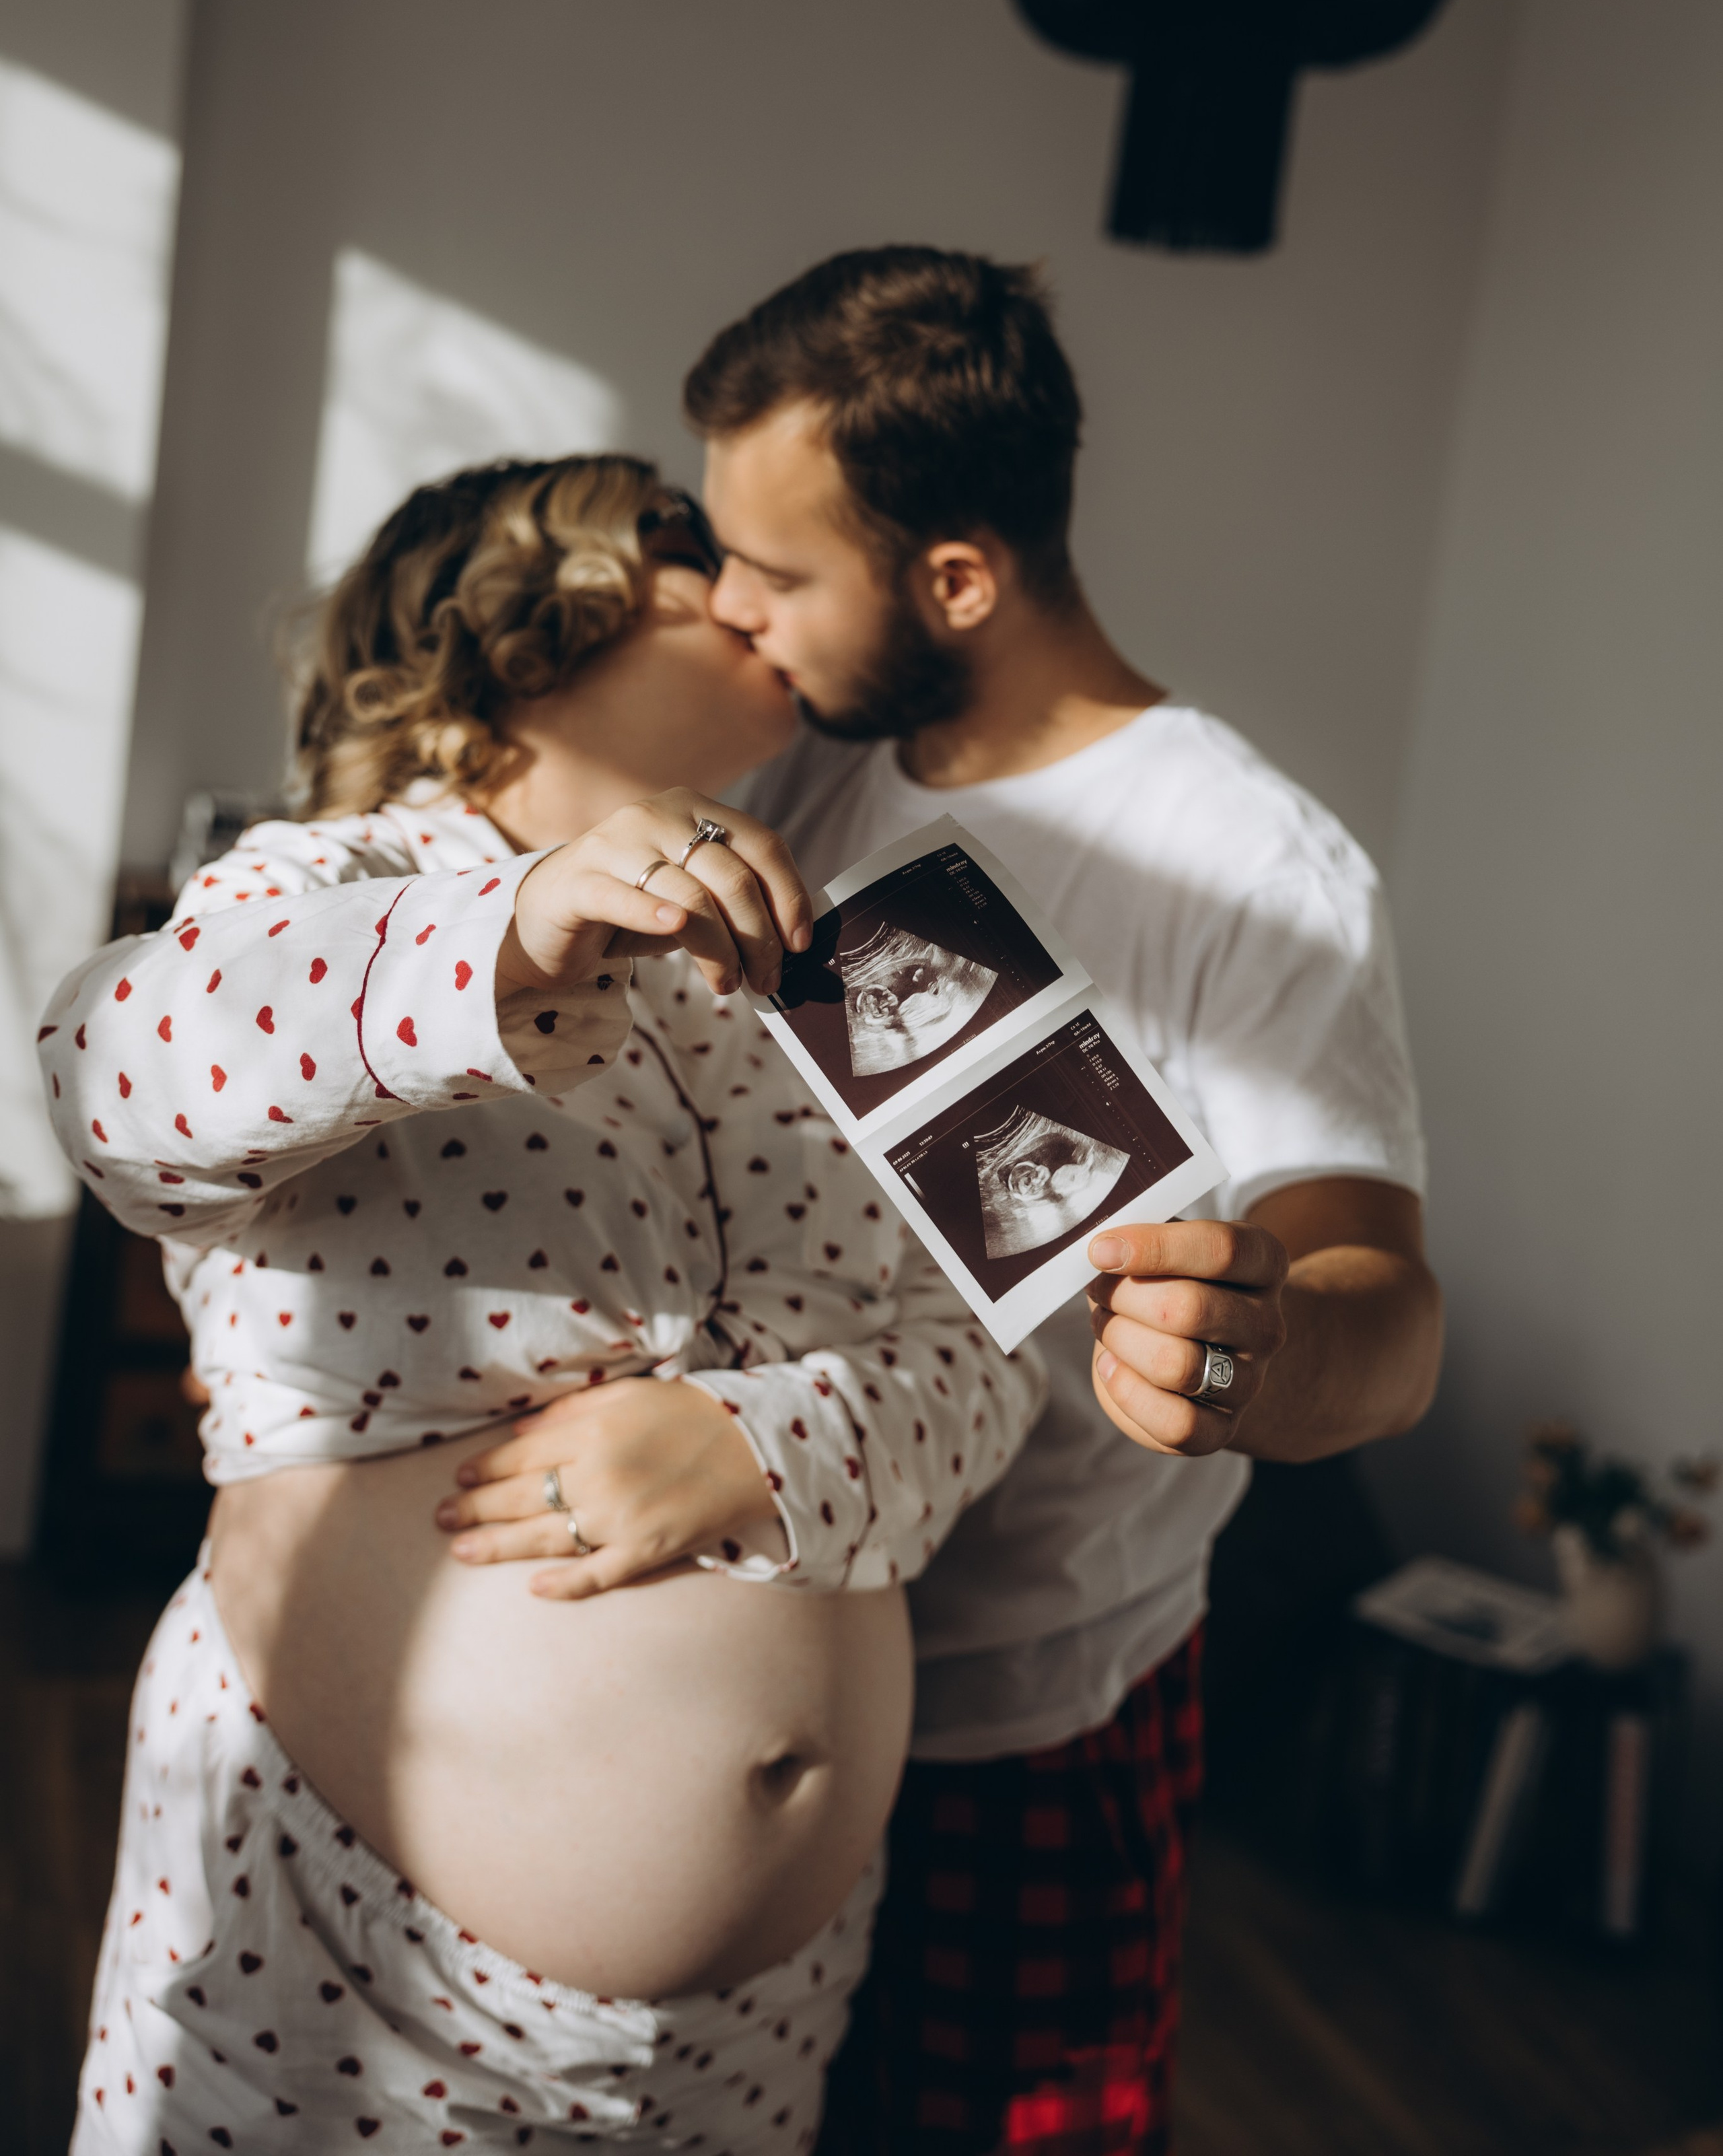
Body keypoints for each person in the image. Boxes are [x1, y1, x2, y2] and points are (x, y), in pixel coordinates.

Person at [458, 252, 1439, 2155]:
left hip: (1020, 1722)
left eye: (779, 570)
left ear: (959, 580)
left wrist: (1270, 1341)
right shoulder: (802, 767)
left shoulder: (1256, 868)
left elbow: (1387, 1313)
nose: (732, 607)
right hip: (724, 1667)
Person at [41, 454, 1045, 2155]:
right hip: (341, 1972)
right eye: (681, 553)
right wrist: (501, 929)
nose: (743, 588)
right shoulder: (327, 881)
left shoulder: (862, 961)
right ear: (508, 622)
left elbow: (999, 1364)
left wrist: (760, 1439)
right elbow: (110, 1068)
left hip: (755, 2033)